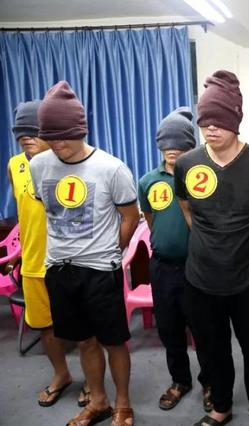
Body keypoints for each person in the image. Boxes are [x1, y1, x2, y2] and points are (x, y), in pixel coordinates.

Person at [174, 70, 249, 426]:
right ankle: (220, 408)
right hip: (201, 277)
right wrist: (208, 239)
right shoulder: (186, 164)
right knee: (212, 348)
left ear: (236, 122)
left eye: (220, 121)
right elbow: (186, 208)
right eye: (205, 121)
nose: (211, 128)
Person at [30, 81, 139, 426]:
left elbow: (130, 216)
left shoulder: (111, 168)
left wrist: (111, 251)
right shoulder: (38, 165)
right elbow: (50, 211)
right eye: (51, 136)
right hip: (60, 269)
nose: (58, 144)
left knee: (114, 342)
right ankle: (99, 402)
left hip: (100, 269)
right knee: (84, 341)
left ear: (81, 130)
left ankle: (123, 405)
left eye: (65, 135)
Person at [7, 100, 83, 408]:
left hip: (69, 262)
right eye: (20, 132)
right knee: (44, 326)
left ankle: (92, 383)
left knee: (83, 329)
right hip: (34, 263)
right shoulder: (14, 165)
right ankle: (61, 374)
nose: (26, 137)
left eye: (33, 131)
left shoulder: (67, 162)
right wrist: (21, 250)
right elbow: (23, 212)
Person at [138, 107, 206, 411]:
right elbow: (150, 218)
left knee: (203, 329)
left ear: (190, 146)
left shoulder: (202, 178)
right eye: (166, 144)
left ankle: (211, 383)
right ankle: (180, 380)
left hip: (197, 268)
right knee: (169, 329)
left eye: (179, 144)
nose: (172, 150)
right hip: (163, 268)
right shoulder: (148, 181)